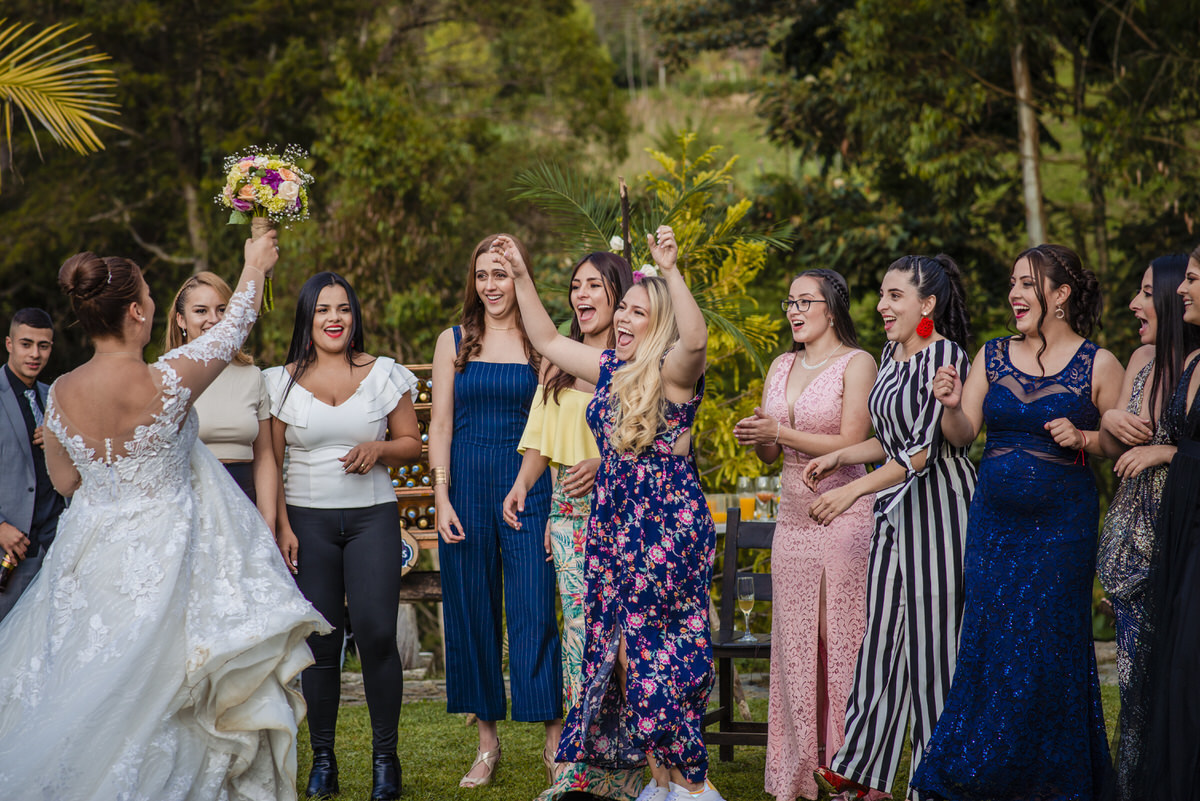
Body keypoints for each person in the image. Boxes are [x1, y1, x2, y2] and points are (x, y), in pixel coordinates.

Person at [0, 236, 330, 800]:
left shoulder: (61, 395)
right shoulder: (165, 381)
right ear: (136, 311)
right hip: (170, 556)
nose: (153, 303)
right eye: (150, 294)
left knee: (89, 680)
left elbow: (65, 482)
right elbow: (232, 332)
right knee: (173, 691)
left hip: (92, 557)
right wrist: (253, 265)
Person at [497, 226, 725, 801]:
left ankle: (693, 787)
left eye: (637, 312)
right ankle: (665, 784)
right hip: (614, 528)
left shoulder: (672, 375)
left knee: (653, 656)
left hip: (664, 531)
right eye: (622, 307)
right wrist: (522, 276)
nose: (622, 318)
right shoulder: (611, 368)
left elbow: (696, 340)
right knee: (623, 656)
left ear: (661, 323)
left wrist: (669, 271)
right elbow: (547, 339)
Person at [910, 244, 1121, 800]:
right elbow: (962, 434)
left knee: (1051, 647)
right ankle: (980, 772)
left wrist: (1084, 437)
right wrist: (953, 403)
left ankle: (1051, 778)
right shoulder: (991, 354)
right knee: (989, 642)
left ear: (1060, 294)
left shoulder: (1101, 364)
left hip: (1062, 531)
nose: (1014, 294)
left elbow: (1125, 442)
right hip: (995, 526)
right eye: (1011, 284)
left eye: (1027, 284)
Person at [804, 254, 976, 801]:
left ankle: (936, 778)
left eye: (894, 296)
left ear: (927, 305)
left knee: (933, 651)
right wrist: (842, 458)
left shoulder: (944, 356)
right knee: (881, 640)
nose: (881, 306)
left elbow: (923, 452)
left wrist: (854, 488)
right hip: (894, 514)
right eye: (881, 295)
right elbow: (889, 439)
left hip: (939, 512)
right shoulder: (891, 354)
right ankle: (859, 768)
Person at [265, 271, 421, 801]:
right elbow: (274, 460)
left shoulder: (383, 374)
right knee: (323, 641)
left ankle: (385, 761)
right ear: (307, 319)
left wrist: (378, 450)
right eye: (323, 310)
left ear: (355, 317)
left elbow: (411, 443)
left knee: (378, 634)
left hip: (373, 517)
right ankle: (324, 761)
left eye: (344, 309)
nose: (334, 318)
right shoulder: (278, 381)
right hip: (308, 523)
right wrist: (283, 526)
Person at [503, 252, 644, 800]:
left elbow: (656, 447)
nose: (581, 295)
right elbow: (543, 432)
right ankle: (578, 771)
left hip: (628, 520)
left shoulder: (633, 365)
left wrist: (605, 466)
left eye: (594, 285)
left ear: (621, 297)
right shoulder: (558, 363)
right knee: (581, 645)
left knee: (627, 645)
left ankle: (638, 768)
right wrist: (522, 484)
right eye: (575, 286)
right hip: (567, 521)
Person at [733, 269, 877, 801]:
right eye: (789, 301)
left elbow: (851, 440)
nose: (793, 310)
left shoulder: (858, 363)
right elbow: (773, 452)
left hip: (842, 515)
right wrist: (759, 436)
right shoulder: (781, 364)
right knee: (794, 649)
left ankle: (848, 771)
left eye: (805, 301)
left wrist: (780, 431)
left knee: (836, 643)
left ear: (832, 307)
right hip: (791, 522)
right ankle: (799, 773)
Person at [428, 234, 562, 789]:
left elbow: (555, 424)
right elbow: (439, 423)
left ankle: (555, 742)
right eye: (483, 274)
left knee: (534, 609)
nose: (491, 285)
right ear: (473, 281)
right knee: (472, 611)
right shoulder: (455, 341)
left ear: (519, 278)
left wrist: (550, 501)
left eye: (502, 274)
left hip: (528, 485)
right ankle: (487, 743)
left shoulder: (543, 345)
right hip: (466, 486)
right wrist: (440, 496)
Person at [1095, 253, 1198, 800]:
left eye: (1143, 293)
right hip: (1129, 539)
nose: (1135, 304)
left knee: (1170, 677)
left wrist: (1166, 449)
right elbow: (1111, 443)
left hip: (1177, 535)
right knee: (1133, 682)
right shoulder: (1141, 358)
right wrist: (1110, 418)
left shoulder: (1196, 367)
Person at [165, 272, 276, 521]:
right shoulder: (167, 377)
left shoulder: (252, 376)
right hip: (190, 506)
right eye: (201, 311)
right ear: (181, 320)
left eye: (222, 309)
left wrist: (267, 520)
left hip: (246, 502)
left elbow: (265, 457)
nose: (213, 320)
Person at [0, 308, 65, 623]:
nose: (35, 354)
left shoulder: (55, 397)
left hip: (55, 544)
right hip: (10, 549)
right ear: (9, 344)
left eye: (44, 345)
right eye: (26, 344)